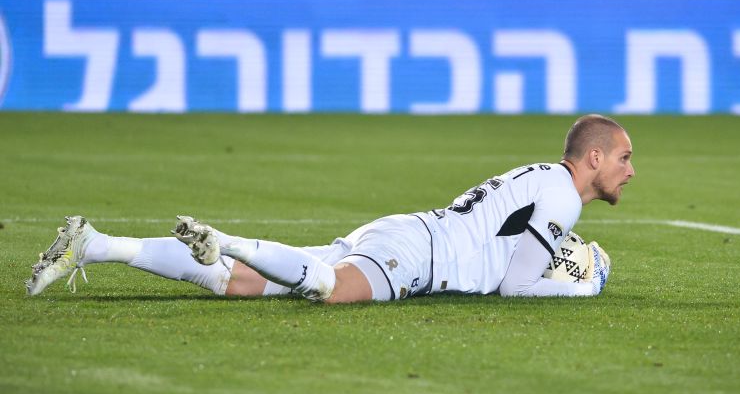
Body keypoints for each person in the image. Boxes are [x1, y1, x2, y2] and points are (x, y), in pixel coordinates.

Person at [26, 114, 634, 302]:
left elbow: (509, 259)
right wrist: (586, 285)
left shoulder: (544, 178)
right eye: (624, 158)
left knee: (240, 285)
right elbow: (516, 288)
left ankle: (95, 243)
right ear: (595, 157)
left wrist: (560, 264)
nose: (631, 171)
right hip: (417, 256)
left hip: (404, 231)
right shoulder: (562, 195)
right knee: (334, 291)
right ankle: (225, 240)